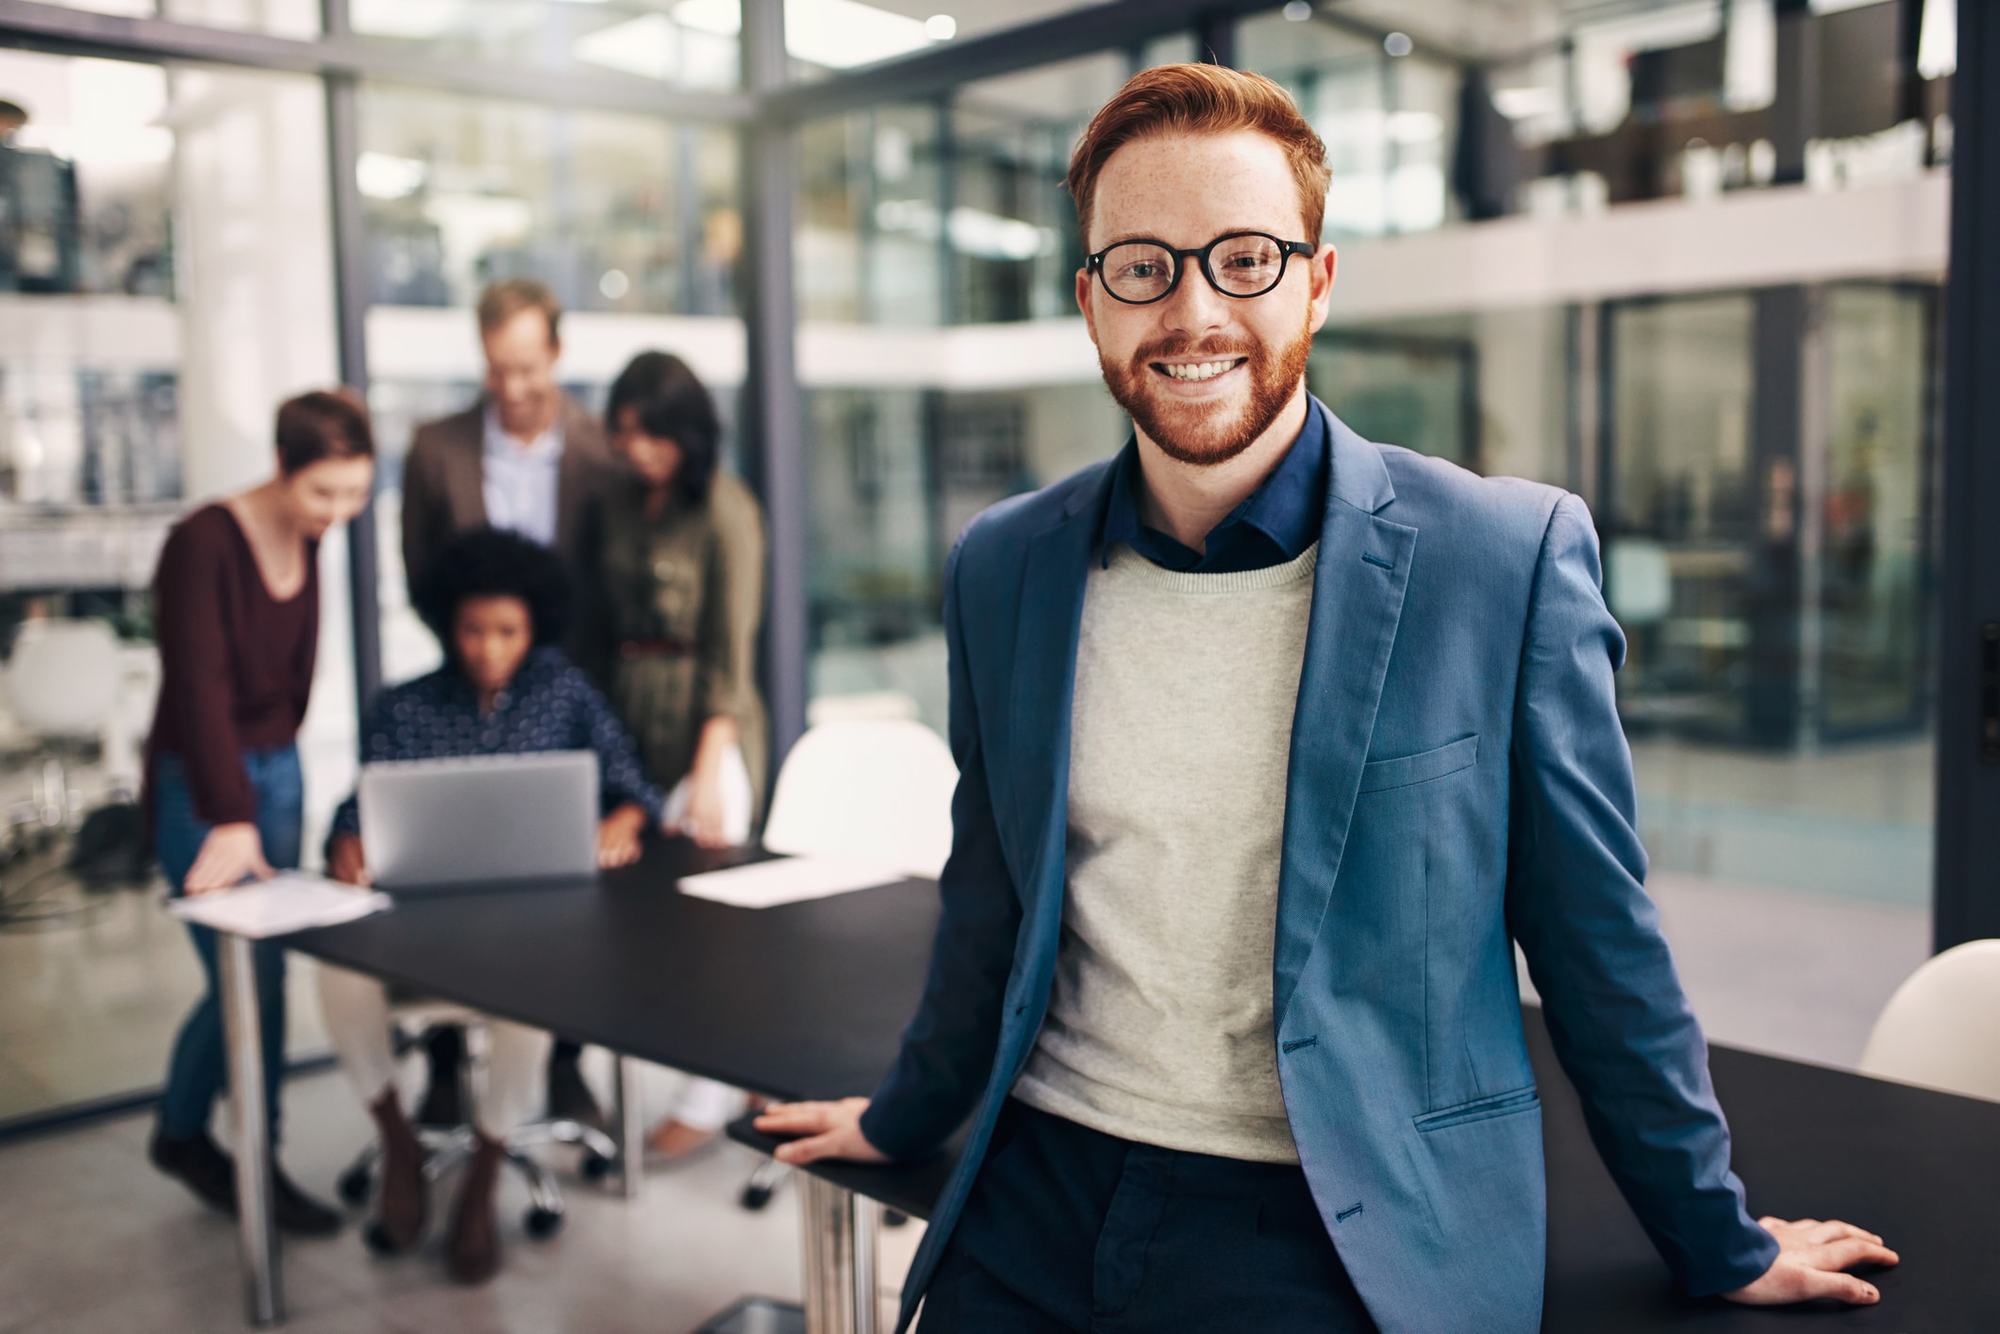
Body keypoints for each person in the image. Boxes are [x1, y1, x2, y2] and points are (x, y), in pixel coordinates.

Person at [756, 65, 1897, 1333]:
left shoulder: (1498, 561)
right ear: (1090, 301)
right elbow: (989, 894)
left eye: (1242, 258)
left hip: (1326, 1216)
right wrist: (902, 1114)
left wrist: (1713, 1234)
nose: (1190, 310)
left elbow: (1597, 947)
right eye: (1140, 266)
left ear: (1316, 280)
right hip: (1039, 1181)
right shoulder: (1003, 565)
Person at [317, 525, 664, 1284]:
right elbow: (355, 811)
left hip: (529, 932)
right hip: (418, 933)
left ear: (534, 624)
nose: (488, 648)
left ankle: (486, 1167)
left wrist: (622, 820)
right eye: (473, 630)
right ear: (448, 624)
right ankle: (399, 1143)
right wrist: (348, 844)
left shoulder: (565, 692)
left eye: (507, 630)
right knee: (333, 971)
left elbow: (634, 784)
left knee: (530, 992)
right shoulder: (403, 708)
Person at [144, 390, 375, 1235]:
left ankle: (188, 1134)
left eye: (355, 494)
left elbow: (291, 679)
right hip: (203, 788)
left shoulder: (311, 537)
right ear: (281, 467)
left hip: (275, 777)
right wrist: (232, 815)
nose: (339, 513)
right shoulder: (201, 544)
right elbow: (199, 689)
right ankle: (241, 1156)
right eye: (324, 493)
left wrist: (277, 785)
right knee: (252, 977)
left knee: (259, 971)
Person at [396, 276, 618, 1130]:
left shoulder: (600, 452)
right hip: (470, 687)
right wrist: (484, 654)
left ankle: (565, 1062)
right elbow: (422, 575)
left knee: (566, 882)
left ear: (556, 354)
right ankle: (446, 1069)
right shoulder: (434, 448)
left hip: (567, 692)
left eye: (527, 367)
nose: (513, 388)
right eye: (496, 371)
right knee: (459, 873)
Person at [596, 350, 768, 1156]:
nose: (638, 450)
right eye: (625, 433)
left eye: (652, 434)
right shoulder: (618, 505)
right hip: (631, 718)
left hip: (710, 728)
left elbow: (730, 651)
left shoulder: (725, 509)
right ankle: (733, 1066)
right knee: (646, 925)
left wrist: (709, 761)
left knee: (710, 925)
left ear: (686, 431)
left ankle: (706, 1100)